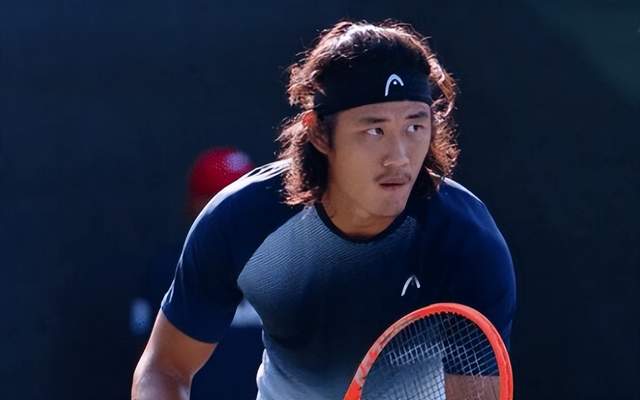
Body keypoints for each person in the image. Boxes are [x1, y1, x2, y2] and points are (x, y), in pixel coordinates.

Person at [132, 20, 516, 400]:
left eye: (415, 127)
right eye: (375, 130)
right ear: (318, 132)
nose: (399, 157)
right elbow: (164, 368)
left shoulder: (465, 239)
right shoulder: (241, 219)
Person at [130, 147, 262, 399]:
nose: (236, 211)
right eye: (222, 199)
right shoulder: (168, 271)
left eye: (245, 199)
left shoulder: (288, 264)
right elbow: (151, 364)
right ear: (196, 205)